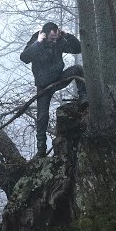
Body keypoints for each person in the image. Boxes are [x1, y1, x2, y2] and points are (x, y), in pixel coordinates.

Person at [20, 22, 88, 157]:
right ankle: (41, 149)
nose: (54, 41)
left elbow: (78, 48)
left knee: (78, 69)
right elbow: (24, 58)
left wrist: (67, 35)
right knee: (42, 117)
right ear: (44, 35)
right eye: (51, 38)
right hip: (43, 86)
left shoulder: (59, 41)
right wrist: (37, 43)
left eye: (56, 38)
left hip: (58, 79)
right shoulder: (37, 39)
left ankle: (84, 97)